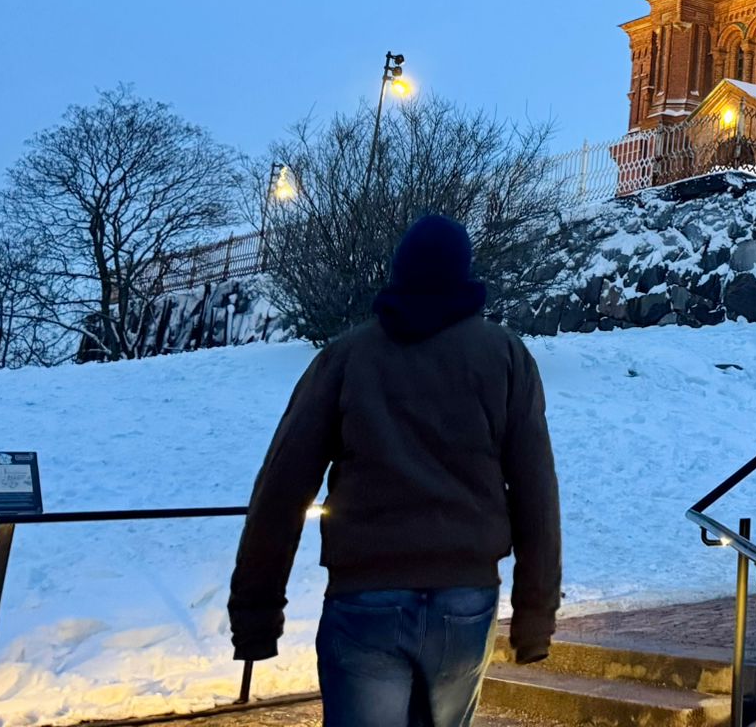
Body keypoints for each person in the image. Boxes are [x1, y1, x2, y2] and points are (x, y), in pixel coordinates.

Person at [229, 213, 561, 727]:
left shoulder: (346, 357)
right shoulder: (505, 357)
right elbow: (536, 492)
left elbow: (281, 486)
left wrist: (256, 614)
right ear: (465, 273)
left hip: (365, 597)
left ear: (397, 271)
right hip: (464, 598)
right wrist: (535, 616)